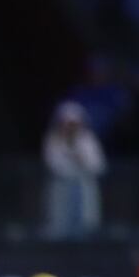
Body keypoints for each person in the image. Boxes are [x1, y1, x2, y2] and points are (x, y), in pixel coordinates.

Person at [43, 101, 107, 238]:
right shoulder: (54, 140)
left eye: (74, 124)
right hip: (62, 189)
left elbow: (98, 166)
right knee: (60, 225)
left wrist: (81, 159)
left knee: (86, 226)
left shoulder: (88, 141)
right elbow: (54, 165)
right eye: (67, 123)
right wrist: (71, 161)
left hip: (85, 187)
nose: (71, 127)